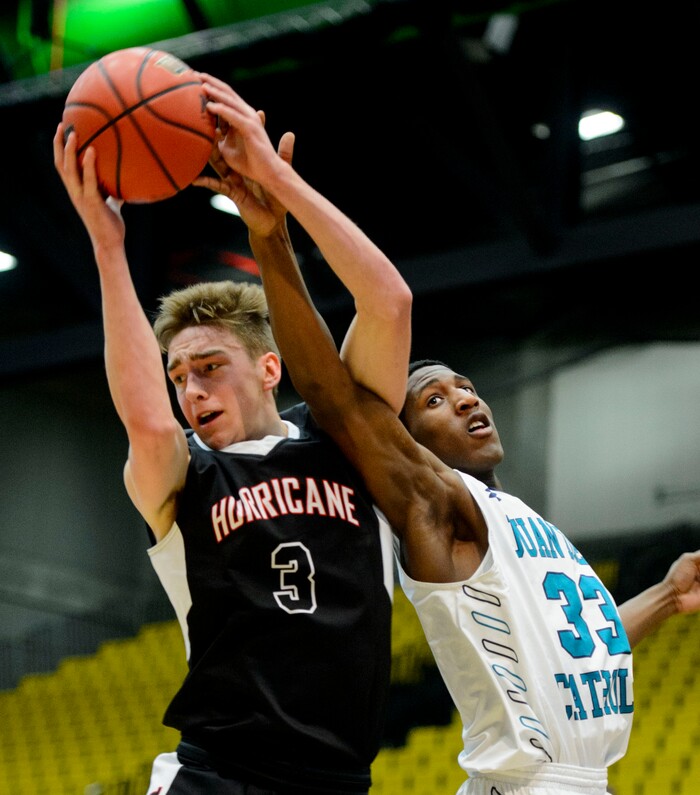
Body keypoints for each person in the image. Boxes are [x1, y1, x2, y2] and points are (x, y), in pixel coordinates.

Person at [197, 78, 700, 795]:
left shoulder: (519, 522)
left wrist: (665, 594)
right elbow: (335, 400)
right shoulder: (440, 501)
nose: (466, 399)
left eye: (466, 385)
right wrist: (272, 236)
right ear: (408, 443)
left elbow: (575, 652)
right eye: (434, 398)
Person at [52, 81, 412, 794]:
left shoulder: (348, 441)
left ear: (269, 366)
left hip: (337, 779)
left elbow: (390, 301)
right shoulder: (187, 477)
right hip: (218, 775)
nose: (191, 390)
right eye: (179, 374)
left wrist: (277, 184)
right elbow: (148, 420)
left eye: (209, 367)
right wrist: (107, 244)